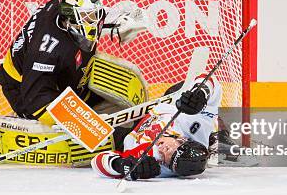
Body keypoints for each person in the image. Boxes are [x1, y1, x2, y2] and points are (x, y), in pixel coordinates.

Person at [0, 0, 138, 127]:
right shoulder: (46, 50)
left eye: (94, 15)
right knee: (67, 127)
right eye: (88, 17)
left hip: (54, 75)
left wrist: (117, 21)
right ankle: (26, 119)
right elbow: (36, 98)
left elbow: (89, 13)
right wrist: (82, 124)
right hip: (23, 88)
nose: (94, 21)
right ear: (70, 16)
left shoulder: (64, 8)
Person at [91, 75, 221, 179]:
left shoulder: (153, 164)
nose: (162, 150)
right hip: (168, 104)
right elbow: (211, 81)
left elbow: (97, 162)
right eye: (170, 149)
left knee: (104, 139)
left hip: (131, 133)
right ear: (183, 140)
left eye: (166, 160)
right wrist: (200, 94)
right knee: (184, 90)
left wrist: (120, 166)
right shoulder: (195, 127)